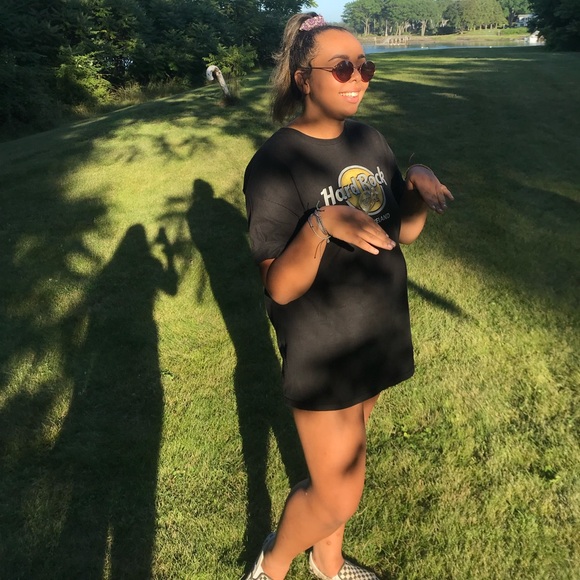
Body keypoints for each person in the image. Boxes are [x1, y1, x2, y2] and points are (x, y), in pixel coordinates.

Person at [242, 12, 453, 580]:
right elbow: (279, 286)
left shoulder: (369, 139)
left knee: (345, 465)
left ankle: (328, 562)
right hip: (325, 345)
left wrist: (416, 185)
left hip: (375, 330)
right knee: (338, 494)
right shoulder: (275, 164)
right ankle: (271, 567)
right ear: (303, 80)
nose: (357, 77)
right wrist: (322, 223)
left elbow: (399, 232)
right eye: (341, 68)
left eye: (365, 66)